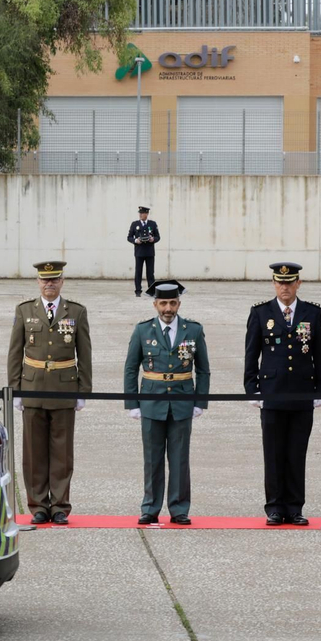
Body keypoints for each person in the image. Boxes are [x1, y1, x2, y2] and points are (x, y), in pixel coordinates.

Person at [6, 260, 93, 525]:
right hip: (32, 388)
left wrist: (83, 391)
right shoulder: (25, 311)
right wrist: (15, 390)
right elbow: (15, 352)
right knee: (33, 453)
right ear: (38, 282)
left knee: (62, 452)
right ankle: (38, 505)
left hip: (64, 389)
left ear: (62, 282)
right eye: (45, 280)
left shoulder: (76, 312)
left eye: (54, 280)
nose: (49, 284)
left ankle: (60, 506)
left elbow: (85, 353)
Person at [243, 262, 321, 526]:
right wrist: (252, 388)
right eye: (280, 282)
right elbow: (251, 354)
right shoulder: (260, 313)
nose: (285, 287)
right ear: (273, 284)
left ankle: (295, 507)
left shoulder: (313, 313)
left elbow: (319, 354)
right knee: (274, 452)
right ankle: (275, 508)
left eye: (290, 282)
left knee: (297, 452)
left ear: (298, 284)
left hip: (302, 393)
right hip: (272, 392)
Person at [124, 280, 210, 526]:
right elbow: (130, 369)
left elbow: (203, 369)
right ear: (155, 304)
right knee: (152, 458)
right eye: (163, 303)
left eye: (172, 303)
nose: (168, 308)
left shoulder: (192, 330)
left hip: (182, 402)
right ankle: (150, 507)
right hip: (151, 401)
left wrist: (199, 402)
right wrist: (133, 403)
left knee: (180, 457)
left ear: (179, 304)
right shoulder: (143, 330)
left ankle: (179, 508)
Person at [127, 205, 160, 297]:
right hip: (139, 252)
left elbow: (158, 237)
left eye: (142, 213)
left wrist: (153, 239)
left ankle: (151, 291)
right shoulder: (135, 224)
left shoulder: (152, 224)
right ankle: (138, 291)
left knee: (150, 273)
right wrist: (135, 241)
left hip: (149, 252)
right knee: (138, 272)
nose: (141, 215)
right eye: (140, 213)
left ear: (147, 214)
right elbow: (129, 237)